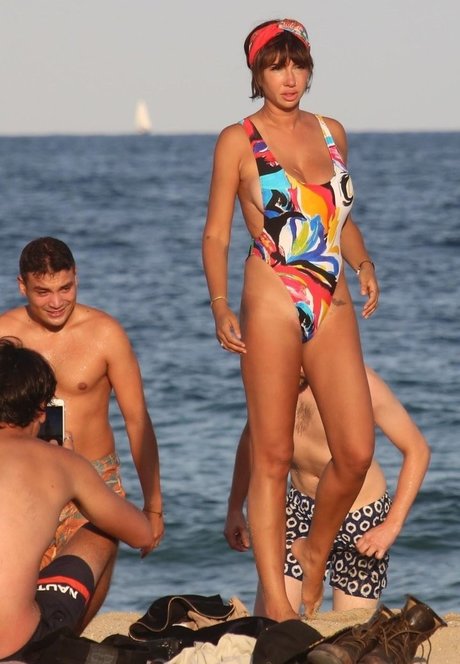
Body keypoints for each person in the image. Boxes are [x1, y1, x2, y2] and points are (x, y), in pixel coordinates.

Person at [202, 18, 381, 620]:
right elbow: (215, 234)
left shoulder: (332, 133)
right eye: (276, 66)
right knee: (273, 456)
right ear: (257, 73)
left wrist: (363, 263)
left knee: (355, 451)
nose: (289, 77)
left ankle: (313, 547)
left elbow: (337, 218)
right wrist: (220, 305)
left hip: (331, 296)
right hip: (271, 291)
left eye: (298, 64)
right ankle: (276, 603)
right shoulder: (238, 140)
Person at [0, 237, 164, 623]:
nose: (57, 302)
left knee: (93, 561)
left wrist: (154, 504)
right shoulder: (5, 336)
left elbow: (137, 420)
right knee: (23, 582)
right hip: (28, 476)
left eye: (65, 288)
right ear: (22, 286)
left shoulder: (105, 334)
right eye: (43, 292)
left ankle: (67, 641)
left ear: (76, 278)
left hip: (94, 471)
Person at [224, 366, 431, 614]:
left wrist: (391, 526)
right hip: (300, 511)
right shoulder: (275, 380)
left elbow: (417, 450)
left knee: (349, 629)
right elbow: (252, 439)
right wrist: (235, 507)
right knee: (271, 621)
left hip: (360, 518)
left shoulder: (360, 382)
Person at [0, 337, 152, 661]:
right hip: (18, 647)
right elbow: (141, 533)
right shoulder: (60, 463)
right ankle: (64, 640)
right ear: (41, 411)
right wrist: (75, 477)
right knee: (105, 529)